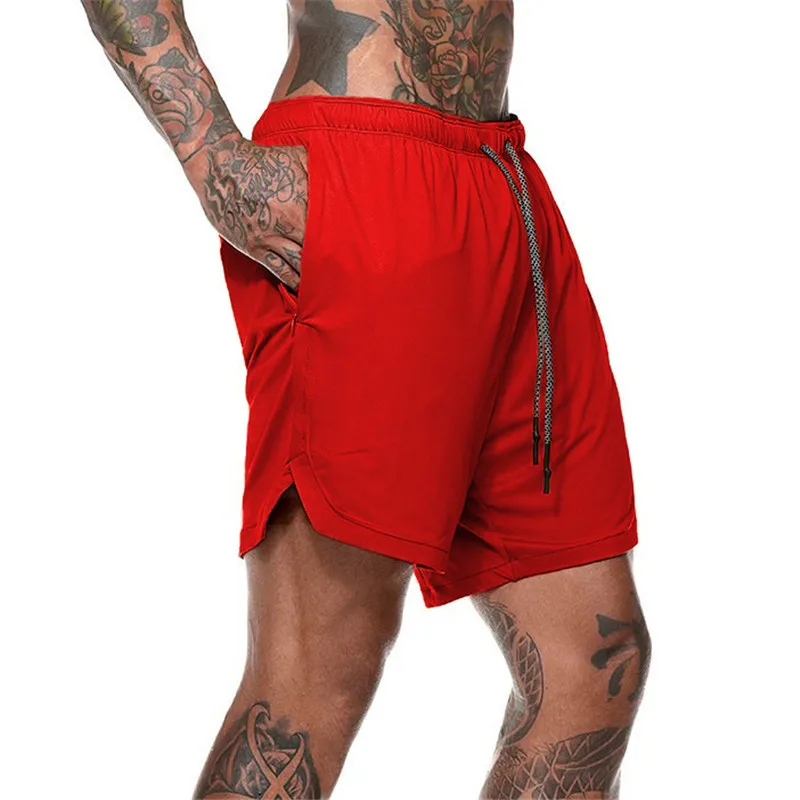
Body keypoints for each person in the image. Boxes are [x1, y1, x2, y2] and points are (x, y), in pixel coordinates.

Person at [80, 1, 651, 797]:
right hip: (364, 168)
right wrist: (212, 153)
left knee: (594, 665)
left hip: (501, 181)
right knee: (315, 682)